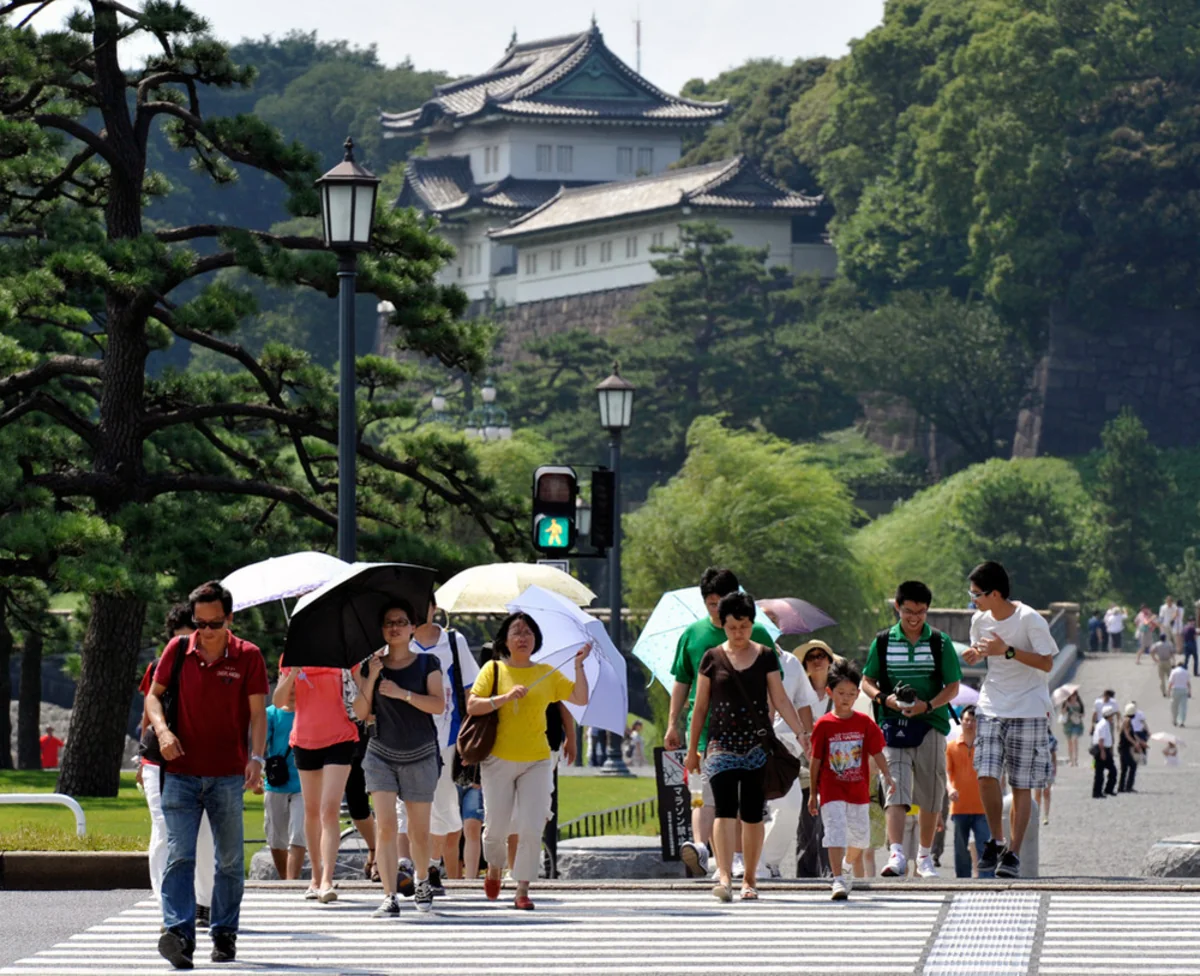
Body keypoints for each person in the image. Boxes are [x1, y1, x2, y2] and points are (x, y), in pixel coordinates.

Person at [146, 581, 267, 970]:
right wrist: (163, 731)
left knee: (229, 860)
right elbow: (152, 694)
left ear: (229, 618)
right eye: (201, 623)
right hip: (179, 772)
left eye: (215, 624)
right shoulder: (179, 649)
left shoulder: (248, 656)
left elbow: (258, 713)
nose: (207, 632)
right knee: (179, 855)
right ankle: (179, 934)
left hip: (227, 775)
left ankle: (224, 933)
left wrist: (257, 758)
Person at [685, 592, 810, 902]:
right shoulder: (711, 658)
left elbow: (780, 698)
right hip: (720, 745)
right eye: (731, 627)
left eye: (744, 626)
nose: (738, 633)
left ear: (752, 624)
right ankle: (725, 876)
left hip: (756, 746)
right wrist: (692, 750)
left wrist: (800, 732)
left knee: (753, 813)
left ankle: (750, 878)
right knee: (724, 810)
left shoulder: (766, 655)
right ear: (722, 625)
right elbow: (700, 707)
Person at [665, 567, 784, 880]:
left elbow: (774, 687)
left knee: (743, 802)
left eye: (721, 602)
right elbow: (682, 681)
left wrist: (768, 719)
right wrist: (672, 723)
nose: (716, 610)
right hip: (706, 733)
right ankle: (704, 849)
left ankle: (738, 861)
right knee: (708, 795)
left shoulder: (756, 633)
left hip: (750, 734)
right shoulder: (693, 635)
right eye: (710, 603)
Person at [467, 611, 590, 911]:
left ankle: (522, 888)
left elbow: (579, 697)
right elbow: (472, 704)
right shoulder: (493, 670)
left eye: (528, 633)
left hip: (536, 759)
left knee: (532, 826)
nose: (523, 638)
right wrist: (504, 698)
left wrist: (577, 666)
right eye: (517, 632)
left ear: (535, 640)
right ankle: (494, 867)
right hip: (498, 759)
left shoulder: (546, 672)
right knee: (495, 828)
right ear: (505, 641)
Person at [962, 561, 1056, 880]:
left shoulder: (1029, 619)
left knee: (1020, 784)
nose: (972, 599)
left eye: (976, 594)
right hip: (991, 703)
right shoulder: (979, 620)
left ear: (996, 593)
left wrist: (1009, 651)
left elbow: (1046, 664)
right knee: (986, 774)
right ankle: (997, 840)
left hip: (1028, 705)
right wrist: (977, 654)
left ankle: (1013, 853)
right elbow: (985, 650)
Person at [862, 580, 961, 880]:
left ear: (927, 610)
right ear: (897, 607)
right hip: (893, 725)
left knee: (931, 792)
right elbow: (867, 681)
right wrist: (885, 699)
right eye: (908, 611)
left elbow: (953, 687)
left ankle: (924, 857)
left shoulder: (940, 643)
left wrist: (927, 706)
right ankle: (897, 853)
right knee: (895, 786)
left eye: (920, 612)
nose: (914, 618)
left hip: (930, 724)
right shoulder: (881, 642)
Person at [355, 600, 445, 918]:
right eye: (389, 622)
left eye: (401, 622)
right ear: (382, 630)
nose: (394, 627)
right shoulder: (372, 666)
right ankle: (390, 894)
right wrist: (371, 678)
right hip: (380, 753)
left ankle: (421, 880)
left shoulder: (428, 662)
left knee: (420, 831)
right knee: (386, 827)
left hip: (420, 753)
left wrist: (404, 694)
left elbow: (438, 705)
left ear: (411, 628)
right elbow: (360, 712)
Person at [138, 605, 215, 926]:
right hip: (157, 758)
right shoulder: (160, 666)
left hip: (203, 760)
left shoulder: (215, 666)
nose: (184, 643)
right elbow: (148, 711)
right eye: (178, 636)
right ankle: (166, 902)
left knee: (205, 833)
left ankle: (204, 902)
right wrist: (141, 763)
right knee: (163, 827)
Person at [274, 647, 360, 904]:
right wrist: (293, 673)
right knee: (311, 810)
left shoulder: (344, 655)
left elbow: (358, 694)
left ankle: (327, 879)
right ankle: (315, 875)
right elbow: (279, 701)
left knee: (329, 809)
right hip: (305, 739)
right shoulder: (291, 656)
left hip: (341, 737)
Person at [807, 659, 895, 901]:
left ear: (857, 694)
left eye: (851, 693)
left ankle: (846, 865)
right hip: (831, 789)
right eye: (840, 693)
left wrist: (887, 775)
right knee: (834, 832)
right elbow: (815, 761)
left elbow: (877, 751)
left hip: (858, 790)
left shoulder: (865, 722)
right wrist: (813, 793)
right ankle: (837, 879)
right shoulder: (823, 725)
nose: (846, 698)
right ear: (830, 692)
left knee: (861, 838)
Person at [412, 590, 480, 895]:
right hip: (407, 741)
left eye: (421, 605)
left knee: (444, 813)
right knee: (408, 810)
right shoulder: (397, 644)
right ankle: (416, 870)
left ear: (433, 608)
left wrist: (471, 740)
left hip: (447, 740)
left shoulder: (454, 642)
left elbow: (470, 690)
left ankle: (432, 864)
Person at [757, 642, 820, 879]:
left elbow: (802, 702)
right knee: (750, 808)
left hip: (783, 745)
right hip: (746, 742)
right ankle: (745, 862)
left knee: (791, 805)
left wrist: (807, 736)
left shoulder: (791, 663)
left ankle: (769, 860)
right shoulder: (735, 657)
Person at [796, 640, 835, 878]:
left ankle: (831, 869)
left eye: (822, 655)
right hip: (806, 762)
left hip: (833, 763)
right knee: (807, 821)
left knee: (831, 819)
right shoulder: (799, 692)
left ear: (830, 662)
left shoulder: (839, 690)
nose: (817, 660)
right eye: (812, 657)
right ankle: (806, 873)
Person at [263, 679, 305, 880]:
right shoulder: (271, 713)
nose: (293, 689)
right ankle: (284, 879)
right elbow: (261, 744)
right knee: (276, 839)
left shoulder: (309, 712)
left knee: (298, 834)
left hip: (304, 784)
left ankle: (291, 882)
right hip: (276, 783)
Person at [946, 705, 990, 879]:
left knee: (984, 846)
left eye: (973, 720)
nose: (970, 723)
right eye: (966, 720)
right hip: (960, 806)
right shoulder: (951, 747)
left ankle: (987, 879)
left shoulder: (985, 746)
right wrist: (950, 789)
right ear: (961, 721)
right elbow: (947, 773)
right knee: (960, 848)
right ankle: (962, 881)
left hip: (983, 806)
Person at [1092, 703, 1118, 798]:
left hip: (1105, 749)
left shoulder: (1105, 723)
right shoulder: (1103, 724)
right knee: (1101, 772)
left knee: (1109, 771)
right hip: (1102, 750)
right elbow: (1101, 740)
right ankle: (1098, 792)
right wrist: (1103, 752)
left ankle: (1107, 790)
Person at [1117, 703, 1143, 793]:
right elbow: (1127, 735)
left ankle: (1121, 787)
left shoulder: (1126, 720)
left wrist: (1139, 741)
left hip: (1123, 747)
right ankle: (1128, 786)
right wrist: (1135, 743)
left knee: (1124, 768)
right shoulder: (1127, 721)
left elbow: (1132, 734)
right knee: (1132, 766)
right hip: (1124, 748)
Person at [1060, 689, 1085, 767]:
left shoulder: (1079, 703)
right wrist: (1066, 706)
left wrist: (1078, 714)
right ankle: (1071, 760)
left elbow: (1083, 714)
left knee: (1074, 740)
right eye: (1072, 695)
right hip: (1068, 724)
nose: (1074, 697)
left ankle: (1075, 759)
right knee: (1070, 743)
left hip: (1077, 724)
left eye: (1075, 695)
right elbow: (1062, 712)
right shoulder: (1066, 703)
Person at [1038, 729, 1057, 825]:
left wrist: (1055, 768)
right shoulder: (1035, 737)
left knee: (1046, 792)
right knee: (1037, 793)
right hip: (1037, 767)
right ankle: (1036, 815)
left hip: (1048, 767)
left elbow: (1054, 755)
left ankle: (1046, 815)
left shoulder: (1051, 739)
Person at [1151, 631, 1176, 697]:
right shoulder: (1169, 644)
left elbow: (1152, 652)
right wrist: (1174, 661)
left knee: (1162, 679)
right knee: (1170, 677)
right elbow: (1172, 653)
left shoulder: (1157, 644)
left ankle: (1163, 692)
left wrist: (1155, 659)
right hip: (1167, 661)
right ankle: (1169, 691)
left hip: (1160, 661)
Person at [1169, 660, 1192, 727]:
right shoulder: (1186, 672)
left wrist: (1168, 691)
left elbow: (1171, 682)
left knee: (1174, 706)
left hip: (1175, 689)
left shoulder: (1174, 671)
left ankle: (1174, 720)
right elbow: (1188, 683)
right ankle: (1181, 721)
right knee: (1183, 707)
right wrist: (1190, 692)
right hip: (1184, 690)